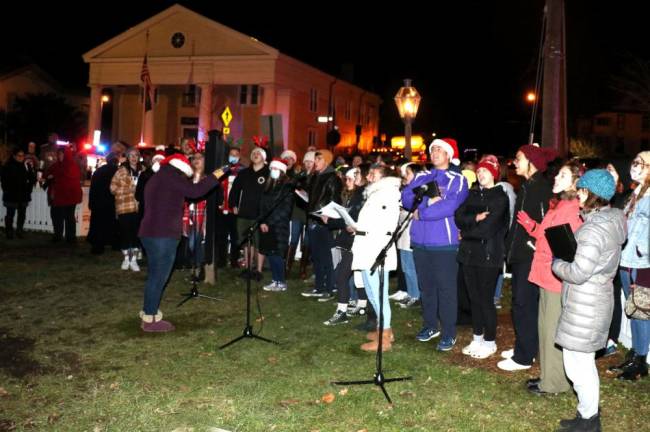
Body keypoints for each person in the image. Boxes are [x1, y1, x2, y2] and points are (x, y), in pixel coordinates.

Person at [552, 168, 625, 432]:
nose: (578, 193)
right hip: (592, 300)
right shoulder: (607, 221)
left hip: (588, 303)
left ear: (591, 194)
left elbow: (579, 272)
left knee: (578, 365)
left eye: (581, 189)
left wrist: (557, 262)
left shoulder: (594, 229)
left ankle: (590, 419)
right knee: (580, 364)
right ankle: (587, 413)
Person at [518, 160, 583, 394]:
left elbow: (567, 248)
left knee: (553, 331)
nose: (556, 178)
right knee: (545, 328)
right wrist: (531, 226)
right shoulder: (560, 206)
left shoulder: (572, 209)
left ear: (576, 183)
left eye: (563, 176)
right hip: (546, 274)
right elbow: (547, 236)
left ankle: (554, 383)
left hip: (556, 279)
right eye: (557, 175)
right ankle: (548, 376)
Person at [138, 153, 222, 332]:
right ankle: (150, 320)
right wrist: (216, 175)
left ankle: (148, 310)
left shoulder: (157, 177)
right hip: (163, 235)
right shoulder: (171, 177)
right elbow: (195, 191)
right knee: (159, 276)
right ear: (181, 167)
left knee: (154, 274)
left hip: (149, 233)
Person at [401, 138, 469, 352]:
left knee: (446, 289)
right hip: (420, 241)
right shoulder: (422, 176)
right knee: (426, 287)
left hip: (443, 243)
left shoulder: (457, 179)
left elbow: (450, 205)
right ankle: (430, 325)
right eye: (433, 149)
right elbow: (405, 197)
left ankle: (449, 332)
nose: (435, 152)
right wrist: (427, 202)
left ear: (449, 154)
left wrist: (421, 211)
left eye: (440, 149)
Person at [498, 144, 555, 371]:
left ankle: (524, 356)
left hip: (531, 256)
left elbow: (547, 225)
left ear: (531, 162)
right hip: (521, 255)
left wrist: (532, 246)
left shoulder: (540, 188)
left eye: (519, 158)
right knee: (520, 304)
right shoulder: (527, 186)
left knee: (525, 304)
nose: (514, 162)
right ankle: (525, 347)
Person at [454, 155, 509, 359]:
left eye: (485, 171)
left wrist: (466, 232)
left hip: (488, 256)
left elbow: (488, 229)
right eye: (479, 171)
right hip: (469, 254)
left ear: (494, 173)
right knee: (473, 299)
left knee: (485, 300)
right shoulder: (472, 195)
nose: (480, 174)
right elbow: (458, 216)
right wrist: (475, 217)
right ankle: (477, 337)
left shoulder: (500, 197)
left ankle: (490, 341)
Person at [351, 164, 402, 351]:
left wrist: (363, 230)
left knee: (379, 293)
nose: (370, 175)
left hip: (376, 248)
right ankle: (384, 329)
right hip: (367, 246)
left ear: (384, 176)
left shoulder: (387, 193)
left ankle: (385, 336)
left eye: (374, 173)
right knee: (371, 291)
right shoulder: (374, 193)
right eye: (370, 172)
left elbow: (385, 223)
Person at [615, 151, 650, 381]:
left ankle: (641, 360)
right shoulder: (634, 194)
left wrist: (642, 251)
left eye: (640, 163)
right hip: (626, 261)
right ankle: (636, 353)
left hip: (641, 263)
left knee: (640, 311)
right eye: (634, 162)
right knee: (633, 310)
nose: (634, 166)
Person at [323, 167, 368, 325]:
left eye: (350, 179)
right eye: (346, 179)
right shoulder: (352, 195)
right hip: (351, 240)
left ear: (357, 178)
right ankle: (362, 305)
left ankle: (342, 312)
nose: (347, 182)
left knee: (341, 275)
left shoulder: (361, 194)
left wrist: (331, 221)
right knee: (357, 274)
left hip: (358, 241)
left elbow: (352, 219)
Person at [301, 149, 342, 300]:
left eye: (318, 159)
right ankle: (319, 287)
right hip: (313, 219)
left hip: (324, 222)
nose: (315, 162)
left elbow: (334, 199)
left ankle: (329, 288)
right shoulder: (315, 176)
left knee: (326, 257)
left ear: (326, 160)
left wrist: (328, 214)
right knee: (316, 257)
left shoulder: (332, 178)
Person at [229, 145, 270, 280]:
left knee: (259, 243)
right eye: (253, 153)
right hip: (244, 213)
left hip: (260, 214)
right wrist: (233, 204)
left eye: (259, 153)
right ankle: (248, 268)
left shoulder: (268, 173)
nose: (255, 154)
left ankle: (258, 270)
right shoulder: (244, 173)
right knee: (247, 242)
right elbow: (235, 189)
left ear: (264, 158)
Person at [259, 158, 295, 291]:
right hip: (267, 225)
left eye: (275, 169)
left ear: (281, 171)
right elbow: (262, 205)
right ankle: (275, 280)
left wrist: (270, 222)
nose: (273, 171)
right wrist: (262, 221)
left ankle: (281, 281)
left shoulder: (287, 188)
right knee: (271, 253)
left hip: (279, 226)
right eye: (272, 169)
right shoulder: (268, 186)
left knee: (278, 254)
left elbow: (285, 210)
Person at [391, 162, 423, 308]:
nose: (405, 176)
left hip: (411, 233)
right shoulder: (407, 189)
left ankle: (416, 295)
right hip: (403, 233)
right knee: (405, 266)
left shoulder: (420, 190)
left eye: (408, 173)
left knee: (411, 267)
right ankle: (411, 293)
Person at [110, 147, 143, 271]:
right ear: (128, 157)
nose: (134, 158)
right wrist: (129, 190)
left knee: (135, 234)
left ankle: (133, 260)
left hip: (138, 208)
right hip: (124, 206)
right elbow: (112, 188)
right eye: (131, 155)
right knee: (125, 233)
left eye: (136, 155)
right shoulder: (121, 171)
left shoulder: (142, 171)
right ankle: (125, 258)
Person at [44, 147, 82, 243]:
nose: (60, 156)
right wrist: (50, 176)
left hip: (69, 197)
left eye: (62, 154)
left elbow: (68, 178)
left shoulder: (71, 166)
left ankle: (71, 238)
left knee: (69, 217)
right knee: (57, 217)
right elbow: (47, 173)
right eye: (59, 154)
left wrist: (54, 177)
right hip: (58, 197)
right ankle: (58, 236)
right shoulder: (56, 165)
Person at [216, 146, 245, 268]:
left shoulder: (243, 171)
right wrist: (218, 201)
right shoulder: (222, 169)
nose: (233, 156)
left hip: (234, 209)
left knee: (235, 236)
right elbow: (214, 183)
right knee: (221, 236)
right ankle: (221, 260)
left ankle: (234, 260)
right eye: (231, 154)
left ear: (239, 156)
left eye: (235, 154)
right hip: (222, 207)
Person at [87, 153, 120, 254]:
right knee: (113, 224)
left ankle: (98, 246)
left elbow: (93, 188)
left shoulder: (99, 171)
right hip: (111, 203)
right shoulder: (118, 172)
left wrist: (91, 202)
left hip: (99, 203)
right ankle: (114, 244)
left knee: (98, 225)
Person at [1, 148, 36, 239]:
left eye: (23, 155)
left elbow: (32, 178)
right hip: (11, 194)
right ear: (14, 156)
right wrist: (7, 190)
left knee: (22, 214)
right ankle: (9, 231)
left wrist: (29, 189)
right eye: (19, 156)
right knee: (10, 214)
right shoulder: (8, 165)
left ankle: (19, 231)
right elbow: (4, 180)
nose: (21, 158)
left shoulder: (26, 165)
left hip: (23, 195)